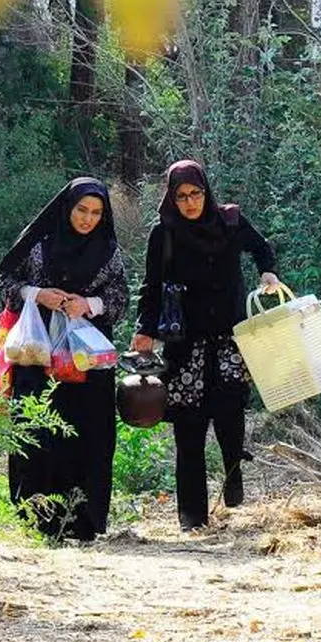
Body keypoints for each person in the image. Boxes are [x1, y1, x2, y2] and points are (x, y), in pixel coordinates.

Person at [131, 160, 279, 532]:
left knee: (230, 416)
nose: (190, 203)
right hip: (185, 343)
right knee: (189, 428)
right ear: (172, 198)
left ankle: (234, 494)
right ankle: (192, 516)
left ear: (206, 191)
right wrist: (143, 330)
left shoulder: (229, 222)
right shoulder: (163, 233)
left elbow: (262, 248)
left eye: (196, 194)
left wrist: (268, 271)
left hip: (229, 339)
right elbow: (150, 287)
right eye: (181, 197)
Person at [0, 177, 128, 542]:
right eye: (82, 210)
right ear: (67, 208)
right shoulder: (38, 243)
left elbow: (119, 297)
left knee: (89, 433)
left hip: (88, 356)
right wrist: (37, 294)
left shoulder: (108, 251)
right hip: (36, 354)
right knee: (38, 429)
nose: (88, 219)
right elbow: (6, 280)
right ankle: (35, 518)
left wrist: (88, 304)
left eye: (96, 213)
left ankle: (82, 520)